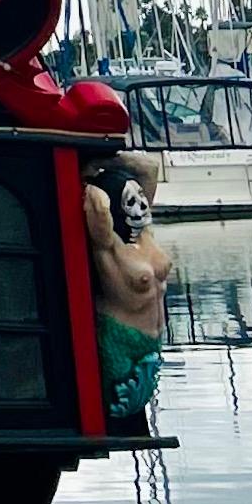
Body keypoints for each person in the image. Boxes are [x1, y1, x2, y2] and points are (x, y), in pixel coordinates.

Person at [85, 152, 173, 428]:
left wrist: (107, 156)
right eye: (130, 202)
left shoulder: (144, 235)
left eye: (141, 198)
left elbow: (148, 168)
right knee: (120, 410)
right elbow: (97, 205)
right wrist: (83, 164)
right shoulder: (110, 247)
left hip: (151, 344)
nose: (141, 207)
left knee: (134, 410)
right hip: (120, 339)